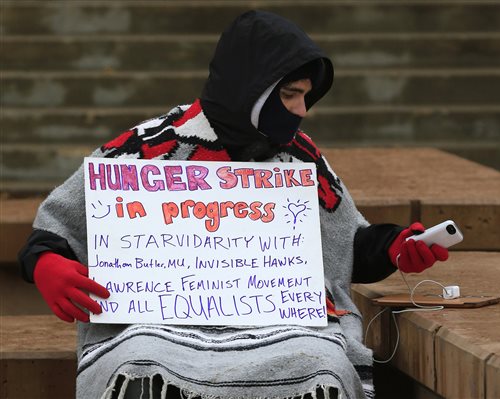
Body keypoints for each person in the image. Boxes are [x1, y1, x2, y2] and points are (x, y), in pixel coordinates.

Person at [18, 10, 449, 399]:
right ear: (251, 88)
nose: (302, 109)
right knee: (138, 363)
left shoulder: (299, 156)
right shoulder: (145, 148)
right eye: (290, 95)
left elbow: (348, 242)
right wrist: (45, 264)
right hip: (157, 331)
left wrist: (395, 245)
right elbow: (56, 227)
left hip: (284, 328)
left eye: (305, 96)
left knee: (324, 364)